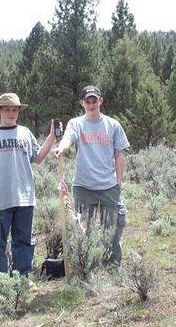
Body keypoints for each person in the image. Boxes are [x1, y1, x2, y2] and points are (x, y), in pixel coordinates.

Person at [0, 93, 59, 280]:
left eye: (15, 110)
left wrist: (52, 137)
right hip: (0, 201)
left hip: (24, 198)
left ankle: (23, 279)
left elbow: (38, 158)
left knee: (23, 242)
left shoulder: (25, 133)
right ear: (0, 111)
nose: (11, 113)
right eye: (7, 109)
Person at [51, 85, 130, 264]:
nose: (92, 105)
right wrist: (61, 148)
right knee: (84, 230)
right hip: (83, 186)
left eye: (95, 101)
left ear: (100, 101)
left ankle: (112, 269)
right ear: (82, 103)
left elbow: (119, 154)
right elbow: (68, 138)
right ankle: (87, 267)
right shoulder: (76, 123)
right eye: (88, 102)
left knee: (112, 232)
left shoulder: (113, 125)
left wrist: (119, 181)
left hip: (108, 186)